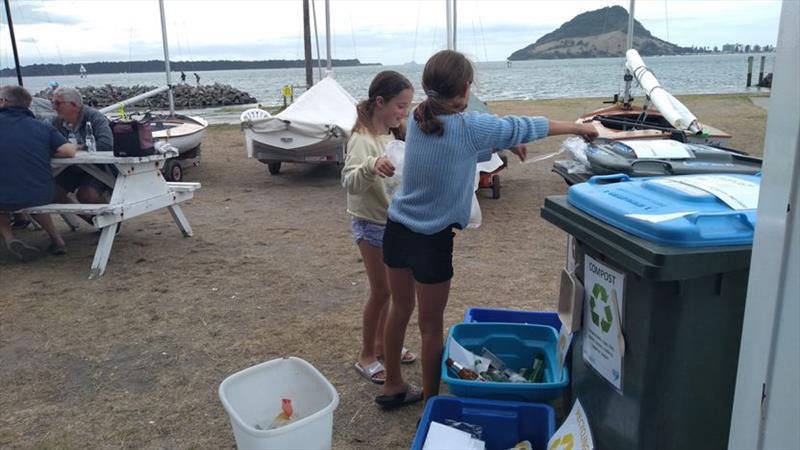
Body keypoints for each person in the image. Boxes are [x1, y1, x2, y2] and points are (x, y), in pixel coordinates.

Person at [375, 50, 599, 408]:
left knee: (399, 310)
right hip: (431, 242)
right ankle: (433, 404)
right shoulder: (468, 127)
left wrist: (504, 141)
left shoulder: (418, 117)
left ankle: (392, 386)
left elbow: (463, 146)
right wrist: (581, 127)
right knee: (430, 327)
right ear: (466, 88)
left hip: (397, 229)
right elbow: (526, 125)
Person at [342, 71, 417, 385]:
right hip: (370, 225)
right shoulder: (362, 140)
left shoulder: (392, 135)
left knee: (396, 292)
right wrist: (371, 167)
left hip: (393, 223)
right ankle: (367, 355)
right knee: (382, 292)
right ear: (379, 102)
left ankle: (387, 344)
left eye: (408, 106)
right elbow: (349, 181)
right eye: (400, 106)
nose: (404, 113)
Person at [0, 85, 77, 260]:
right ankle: (57, 240)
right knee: (29, 194)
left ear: (3, 102)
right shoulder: (41, 127)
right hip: (39, 193)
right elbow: (68, 151)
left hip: (3, 195)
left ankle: (9, 237)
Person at [50, 87, 114, 208]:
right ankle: (91, 219)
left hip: (99, 167)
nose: (54, 107)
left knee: (86, 195)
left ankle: (109, 219)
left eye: (57, 103)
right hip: (72, 167)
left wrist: (76, 148)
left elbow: (106, 144)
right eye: (52, 103)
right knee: (52, 193)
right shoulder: (56, 122)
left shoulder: (95, 117)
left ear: (73, 105)